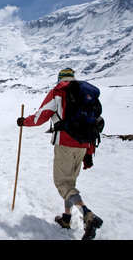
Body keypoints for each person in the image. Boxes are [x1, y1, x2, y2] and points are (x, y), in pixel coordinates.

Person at [16, 68, 103, 240]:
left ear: (60, 79)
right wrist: (88, 153)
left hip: (65, 142)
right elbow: (92, 123)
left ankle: (88, 215)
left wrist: (23, 122)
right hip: (84, 144)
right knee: (70, 182)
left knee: (63, 183)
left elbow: (41, 116)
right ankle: (67, 218)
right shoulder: (86, 94)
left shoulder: (59, 91)